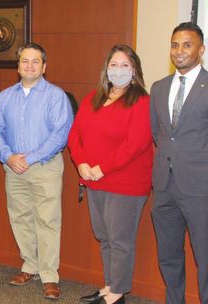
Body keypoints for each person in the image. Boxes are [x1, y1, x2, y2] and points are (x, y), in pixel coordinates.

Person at [68, 45, 152, 304]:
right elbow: (75, 134)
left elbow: (135, 144)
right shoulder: (94, 97)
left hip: (124, 183)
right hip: (94, 180)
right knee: (104, 236)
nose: (118, 70)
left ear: (134, 70)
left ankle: (118, 293)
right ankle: (110, 285)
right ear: (106, 69)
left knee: (120, 240)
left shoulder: (142, 101)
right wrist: (81, 163)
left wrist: (102, 168)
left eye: (124, 65)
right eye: (113, 65)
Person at [0, 43, 73, 300]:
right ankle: (30, 265)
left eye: (35, 61)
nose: (29, 65)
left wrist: (31, 158)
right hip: (14, 169)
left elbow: (61, 134)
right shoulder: (4, 97)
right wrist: (8, 156)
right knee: (20, 217)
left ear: (44, 66)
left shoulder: (56, 96)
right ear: (18, 66)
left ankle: (49, 275)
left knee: (47, 220)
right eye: (24, 61)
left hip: (45, 168)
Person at [150, 22, 208, 304]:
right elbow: (158, 134)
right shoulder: (159, 88)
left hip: (201, 188)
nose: (179, 51)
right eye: (175, 45)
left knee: (206, 259)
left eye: (187, 45)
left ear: (201, 49)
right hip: (164, 186)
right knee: (169, 256)